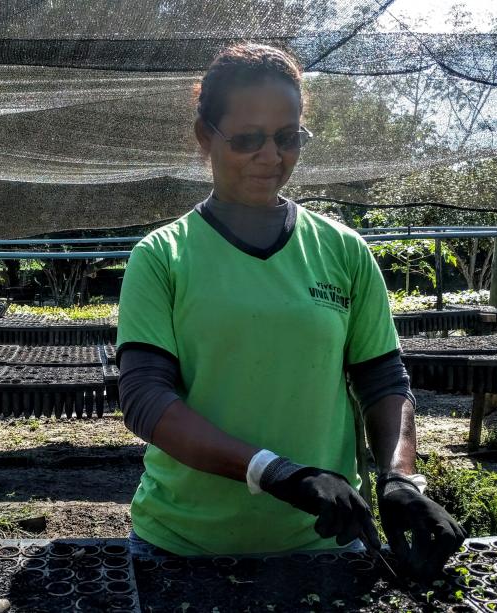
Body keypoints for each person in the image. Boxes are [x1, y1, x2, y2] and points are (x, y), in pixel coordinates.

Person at [116, 43, 464, 581]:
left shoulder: (343, 251)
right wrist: (275, 472)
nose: (270, 156)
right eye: (248, 139)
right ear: (205, 137)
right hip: (182, 545)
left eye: (287, 137)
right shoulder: (164, 255)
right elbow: (146, 400)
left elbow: (382, 379)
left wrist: (399, 478)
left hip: (324, 541)